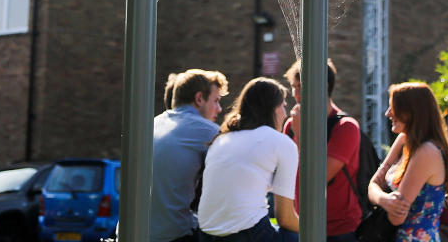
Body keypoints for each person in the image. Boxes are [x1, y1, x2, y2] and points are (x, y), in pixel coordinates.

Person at [197, 77, 299, 241]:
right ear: (273, 108)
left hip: (206, 234)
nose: (285, 114)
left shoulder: (221, 139)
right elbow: (285, 218)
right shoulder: (281, 142)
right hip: (245, 234)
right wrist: (316, 231)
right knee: (298, 235)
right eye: (283, 106)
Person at [282, 59, 362, 241]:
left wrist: (301, 136)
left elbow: (319, 178)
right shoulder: (291, 125)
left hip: (338, 230)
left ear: (322, 86)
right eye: (293, 87)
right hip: (299, 223)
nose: (295, 95)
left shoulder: (345, 127)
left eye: (300, 87)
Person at [367, 82, 448, 242]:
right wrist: (385, 200)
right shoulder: (404, 139)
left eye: (393, 108)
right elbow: (372, 185)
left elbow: (397, 217)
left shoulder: (426, 152)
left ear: (411, 112)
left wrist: (382, 198)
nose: (388, 113)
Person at [152, 69, 229, 242]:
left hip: (129, 232)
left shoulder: (150, 124)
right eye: (216, 101)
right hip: (173, 236)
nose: (219, 109)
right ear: (199, 98)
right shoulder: (209, 131)